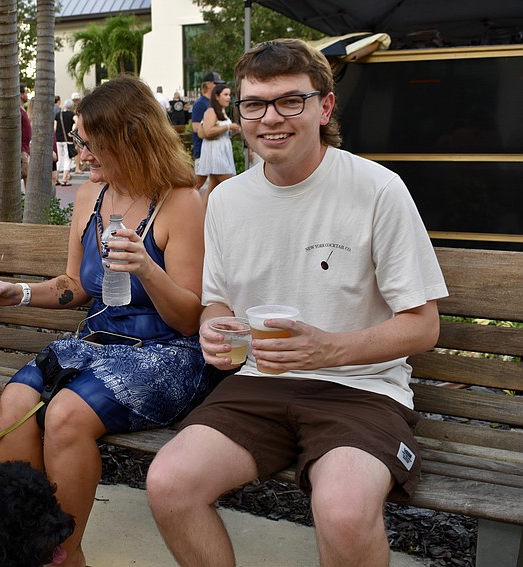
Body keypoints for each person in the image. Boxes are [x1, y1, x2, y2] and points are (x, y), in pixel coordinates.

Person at [146, 38, 449, 567]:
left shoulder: (378, 189)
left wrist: (327, 350)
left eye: (291, 101)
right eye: (255, 104)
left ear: (324, 106)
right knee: (169, 483)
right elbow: (217, 303)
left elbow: (422, 327)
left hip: (363, 389)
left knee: (345, 511)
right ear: (236, 112)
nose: (271, 119)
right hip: (258, 385)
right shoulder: (226, 200)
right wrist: (214, 331)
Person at [0, 75, 214, 567]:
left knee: (66, 416)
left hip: (164, 354)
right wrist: (20, 293)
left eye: (89, 144)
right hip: (97, 344)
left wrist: (145, 267)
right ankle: (24, 547)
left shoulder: (181, 201)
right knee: (13, 405)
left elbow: (187, 320)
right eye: (79, 142)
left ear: (129, 140)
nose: (81, 155)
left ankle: (62, 555)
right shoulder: (92, 199)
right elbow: (77, 286)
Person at [197, 83, 241, 205]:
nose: (228, 98)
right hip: (216, 153)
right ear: (217, 96)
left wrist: (233, 131)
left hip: (222, 151)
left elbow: (222, 133)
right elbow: (208, 131)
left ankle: (204, 216)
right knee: (231, 185)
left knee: (212, 187)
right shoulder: (211, 111)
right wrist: (228, 126)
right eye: (225, 95)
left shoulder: (222, 111)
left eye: (229, 95)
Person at [192, 71, 224, 191]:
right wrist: (214, 130)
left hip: (211, 149)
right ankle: (185, 204)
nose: (219, 87)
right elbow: (195, 127)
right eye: (216, 83)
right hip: (202, 148)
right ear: (209, 85)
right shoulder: (200, 104)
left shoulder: (211, 103)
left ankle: (205, 206)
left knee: (214, 182)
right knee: (199, 181)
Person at [54, 98, 75, 186]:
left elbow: (54, 127)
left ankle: (56, 179)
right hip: (67, 139)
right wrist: (72, 132)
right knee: (67, 159)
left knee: (59, 159)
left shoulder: (58, 115)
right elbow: (77, 121)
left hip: (58, 139)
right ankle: (64, 179)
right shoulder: (72, 115)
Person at [19, 84, 32, 186]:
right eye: (25, 93)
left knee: (27, 176)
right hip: (21, 149)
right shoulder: (18, 111)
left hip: (25, 148)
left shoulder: (22, 109)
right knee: (26, 176)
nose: (27, 95)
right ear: (21, 95)